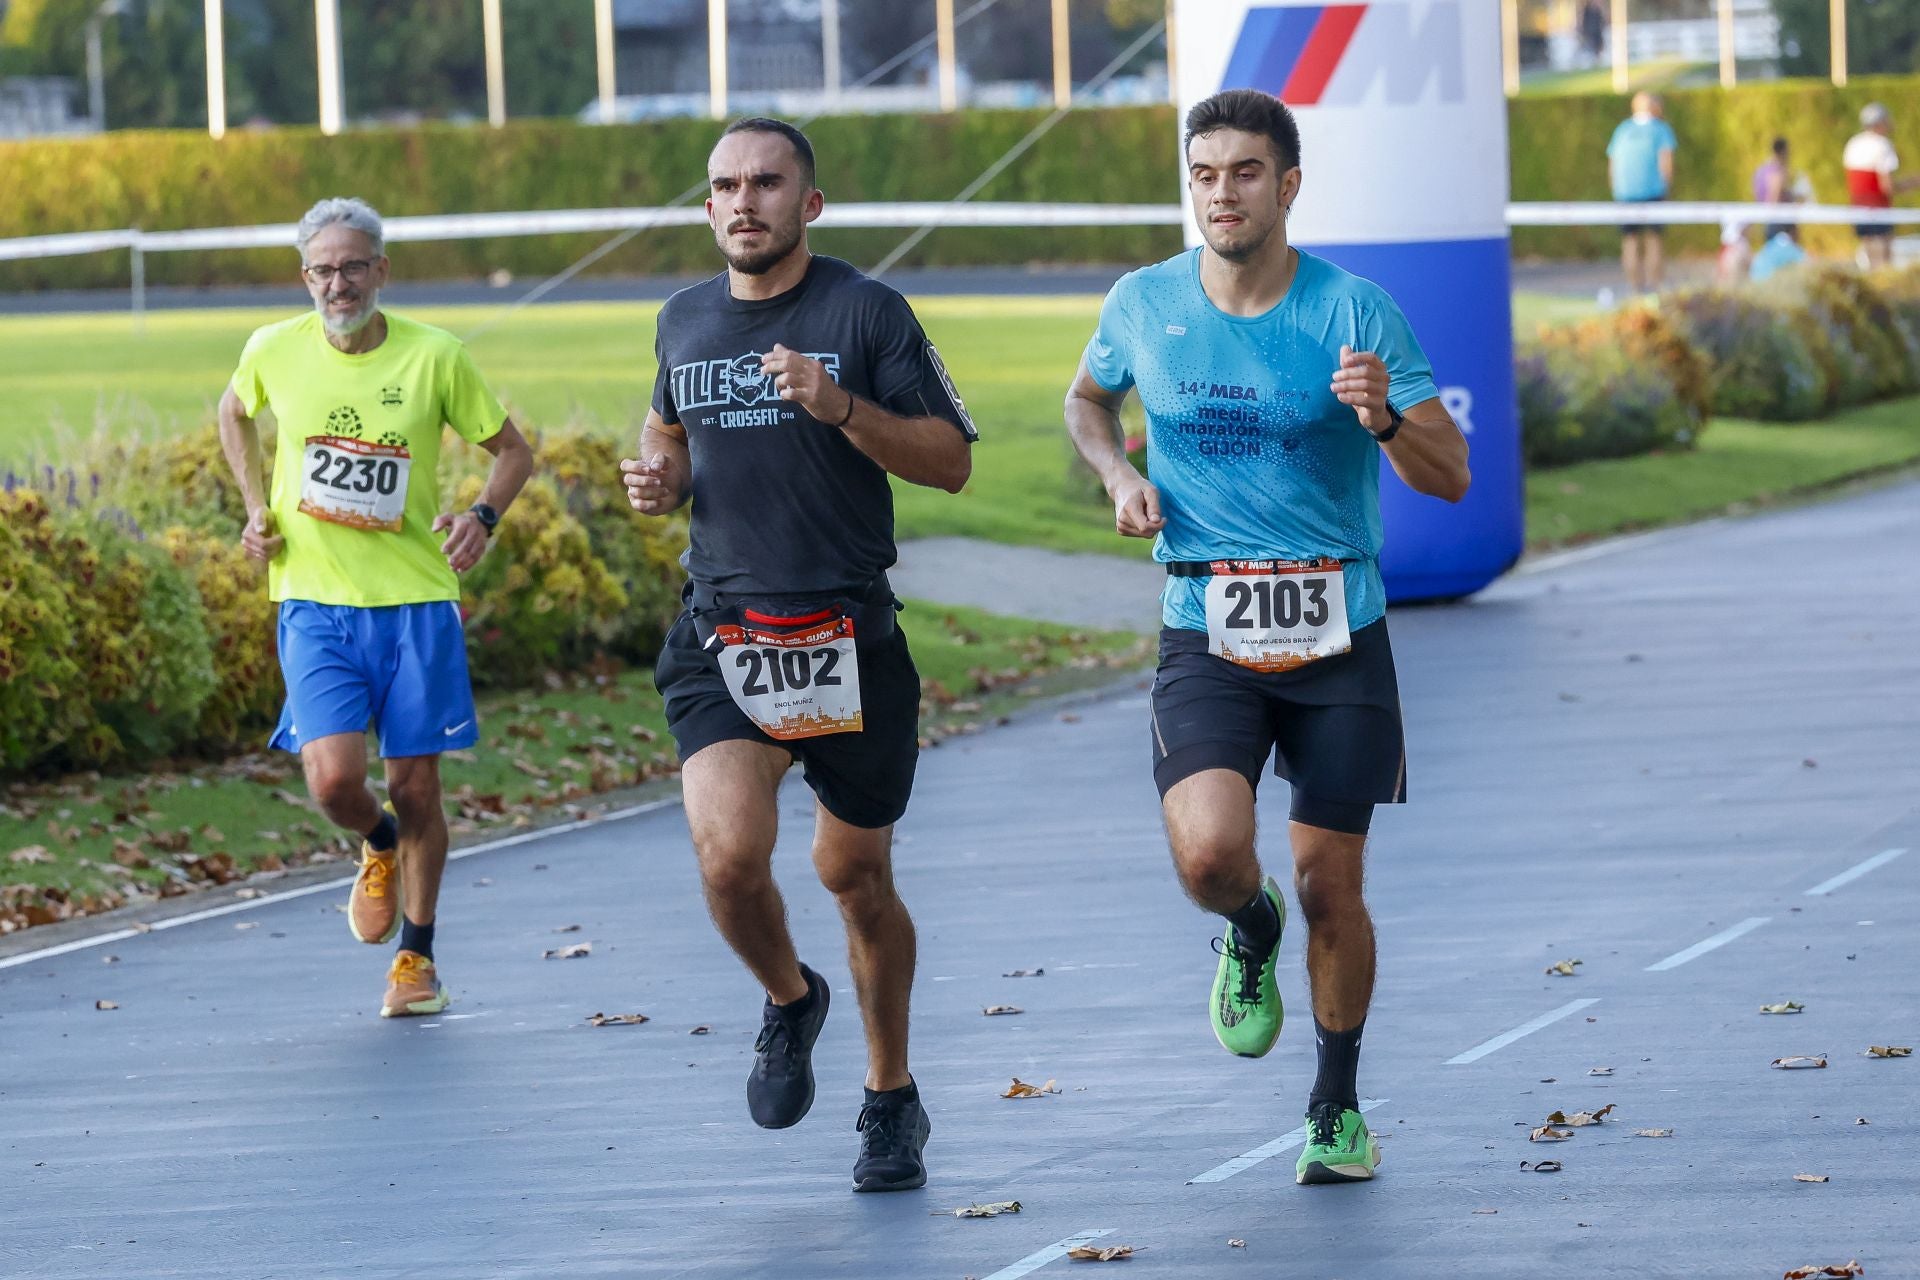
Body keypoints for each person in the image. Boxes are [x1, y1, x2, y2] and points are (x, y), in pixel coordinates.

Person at [1062, 89, 1468, 1186]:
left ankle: (1335, 1108)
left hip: (1340, 630)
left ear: (1288, 185)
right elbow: (1086, 400)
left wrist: (1383, 417)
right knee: (1208, 854)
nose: (1221, 193)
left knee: (1335, 883)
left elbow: (1451, 473)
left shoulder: (1356, 313)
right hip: (1205, 622)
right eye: (1204, 173)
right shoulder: (1144, 302)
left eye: (1245, 172)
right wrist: (1117, 471)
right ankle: (1250, 923)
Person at [619, 117, 976, 1193]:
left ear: (807, 204)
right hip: (723, 630)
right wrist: (658, 477)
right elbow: (668, 431)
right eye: (724, 185)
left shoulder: (866, 313)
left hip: (847, 638)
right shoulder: (683, 320)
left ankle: (890, 1095)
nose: (743, 201)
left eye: (766, 183)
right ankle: (788, 997)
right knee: (730, 858)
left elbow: (951, 461)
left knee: (852, 871)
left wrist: (844, 408)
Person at [216, 197, 534, 1018]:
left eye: (353, 266)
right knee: (333, 781)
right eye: (322, 269)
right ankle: (377, 841)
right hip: (314, 600)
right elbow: (233, 411)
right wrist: (256, 508)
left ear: (381, 271)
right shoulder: (272, 350)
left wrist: (482, 517)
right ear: (305, 278)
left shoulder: (437, 357)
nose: (338, 282)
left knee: (418, 786)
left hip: (415, 602)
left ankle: (416, 963)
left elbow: (512, 451)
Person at [1608, 92, 1677, 294]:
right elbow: (1667, 163)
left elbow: (1612, 162)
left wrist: (1616, 189)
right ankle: (1656, 289)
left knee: (1630, 240)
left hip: (1624, 193)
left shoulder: (1622, 129)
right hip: (1654, 191)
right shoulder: (1661, 130)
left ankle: (1635, 290)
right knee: (1654, 239)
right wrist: (1667, 187)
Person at [1843, 103, 1919, 270]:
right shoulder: (1882, 145)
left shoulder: (1853, 144)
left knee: (1870, 259)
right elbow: (1887, 186)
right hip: (1879, 210)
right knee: (1883, 261)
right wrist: (1912, 183)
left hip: (1858, 209)